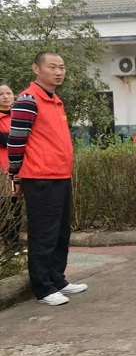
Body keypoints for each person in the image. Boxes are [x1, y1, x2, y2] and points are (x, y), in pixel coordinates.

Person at [7, 52, 88, 306]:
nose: (58, 72)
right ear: (36, 68)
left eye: (61, 67)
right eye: (52, 67)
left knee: (61, 231)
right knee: (43, 233)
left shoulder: (55, 100)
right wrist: (15, 173)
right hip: (39, 177)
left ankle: (57, 279)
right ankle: (42, 288)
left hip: (61, 175)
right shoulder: (28, 100)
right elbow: (16, 140)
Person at [0, 83, 24, 256]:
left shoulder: (18, 115)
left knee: (16, 206)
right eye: (1, 94)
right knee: (5, 206)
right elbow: (6, 139)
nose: (5, 96)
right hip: (2, 170)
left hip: (18, 168)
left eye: (8, 93)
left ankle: (15, 243)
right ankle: (8, 244)